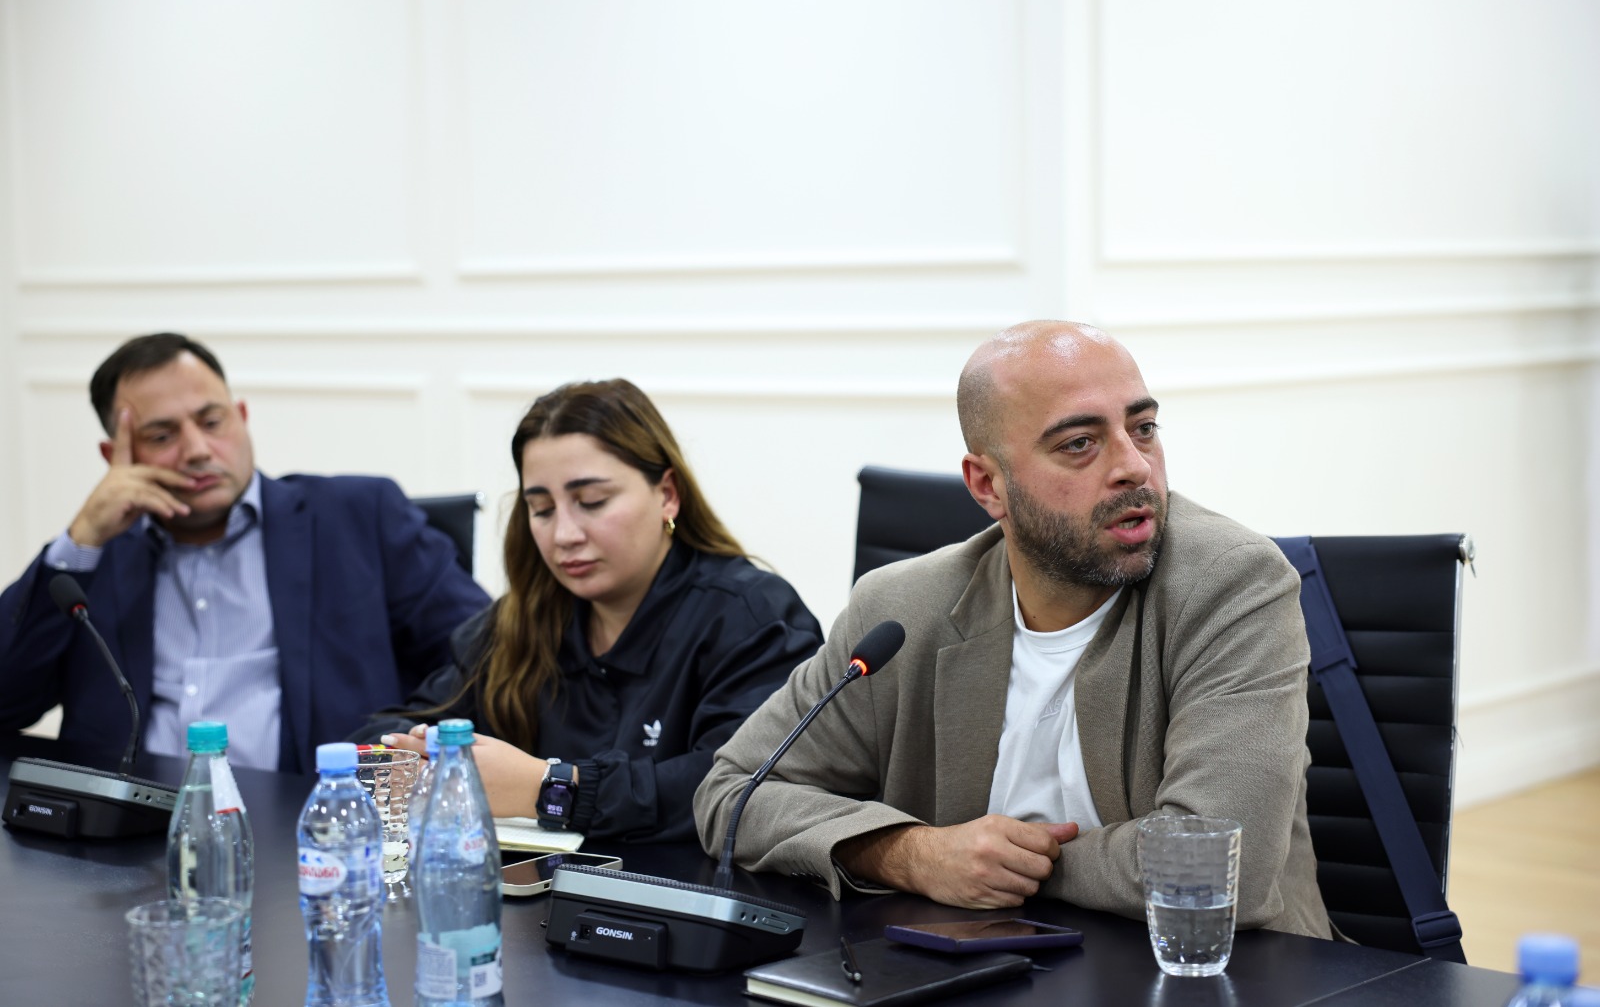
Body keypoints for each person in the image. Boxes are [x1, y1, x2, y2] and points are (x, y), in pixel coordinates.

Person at [694, 321, 1332, 937]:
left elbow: (1218, 869)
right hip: (979, 967)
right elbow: (733, 795)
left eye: (1143, 429)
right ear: (987, 485)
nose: (1134, 467)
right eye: (1079, 443)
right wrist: (912, 854)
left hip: (1215, 974)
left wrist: (1003, 867)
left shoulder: (1231, 583)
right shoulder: (899, 608)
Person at [0, 333, 491, 773]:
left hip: (316, 823)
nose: (197, 449)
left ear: (242, 417)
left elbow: (491, 660)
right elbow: (7, 704)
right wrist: (80, 540)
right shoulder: (92, 560)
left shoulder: (358, 518)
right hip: (124, 830)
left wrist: (405, 747)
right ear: (115, 457)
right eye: (162, 436)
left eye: (212, 421)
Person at [363, 379, 823, 843]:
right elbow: (387, 728)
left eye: (592, 502)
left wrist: (549, 788)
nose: (564, 535)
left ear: (667, 493)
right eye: (542, 509)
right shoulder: (523, 617)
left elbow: (744, 790)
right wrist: (414, 754)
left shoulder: (752, 616)